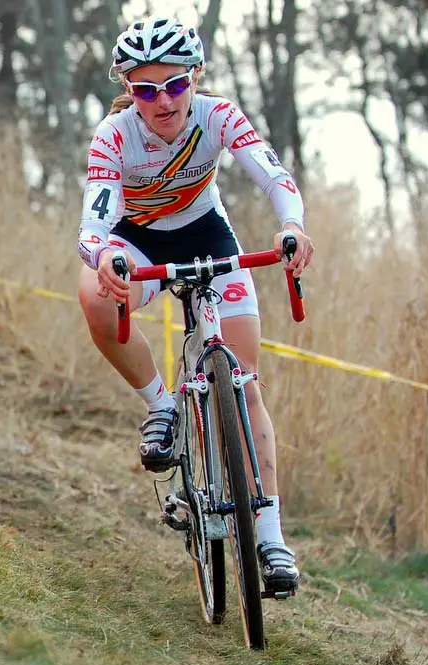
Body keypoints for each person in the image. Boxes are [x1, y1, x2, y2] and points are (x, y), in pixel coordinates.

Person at [75, 16, 314, 593]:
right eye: (146, 90)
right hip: (137, 242)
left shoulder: (219, 115)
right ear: (129, 92)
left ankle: (271, 537)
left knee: (246, 382)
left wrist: (293, 227)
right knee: (94, 298)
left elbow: (274, 176)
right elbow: (93, 224)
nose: (163, 101)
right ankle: (161, 406)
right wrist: (104, 257)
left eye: (176, 85)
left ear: (196, 79)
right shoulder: (114, 136)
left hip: (208, 235)